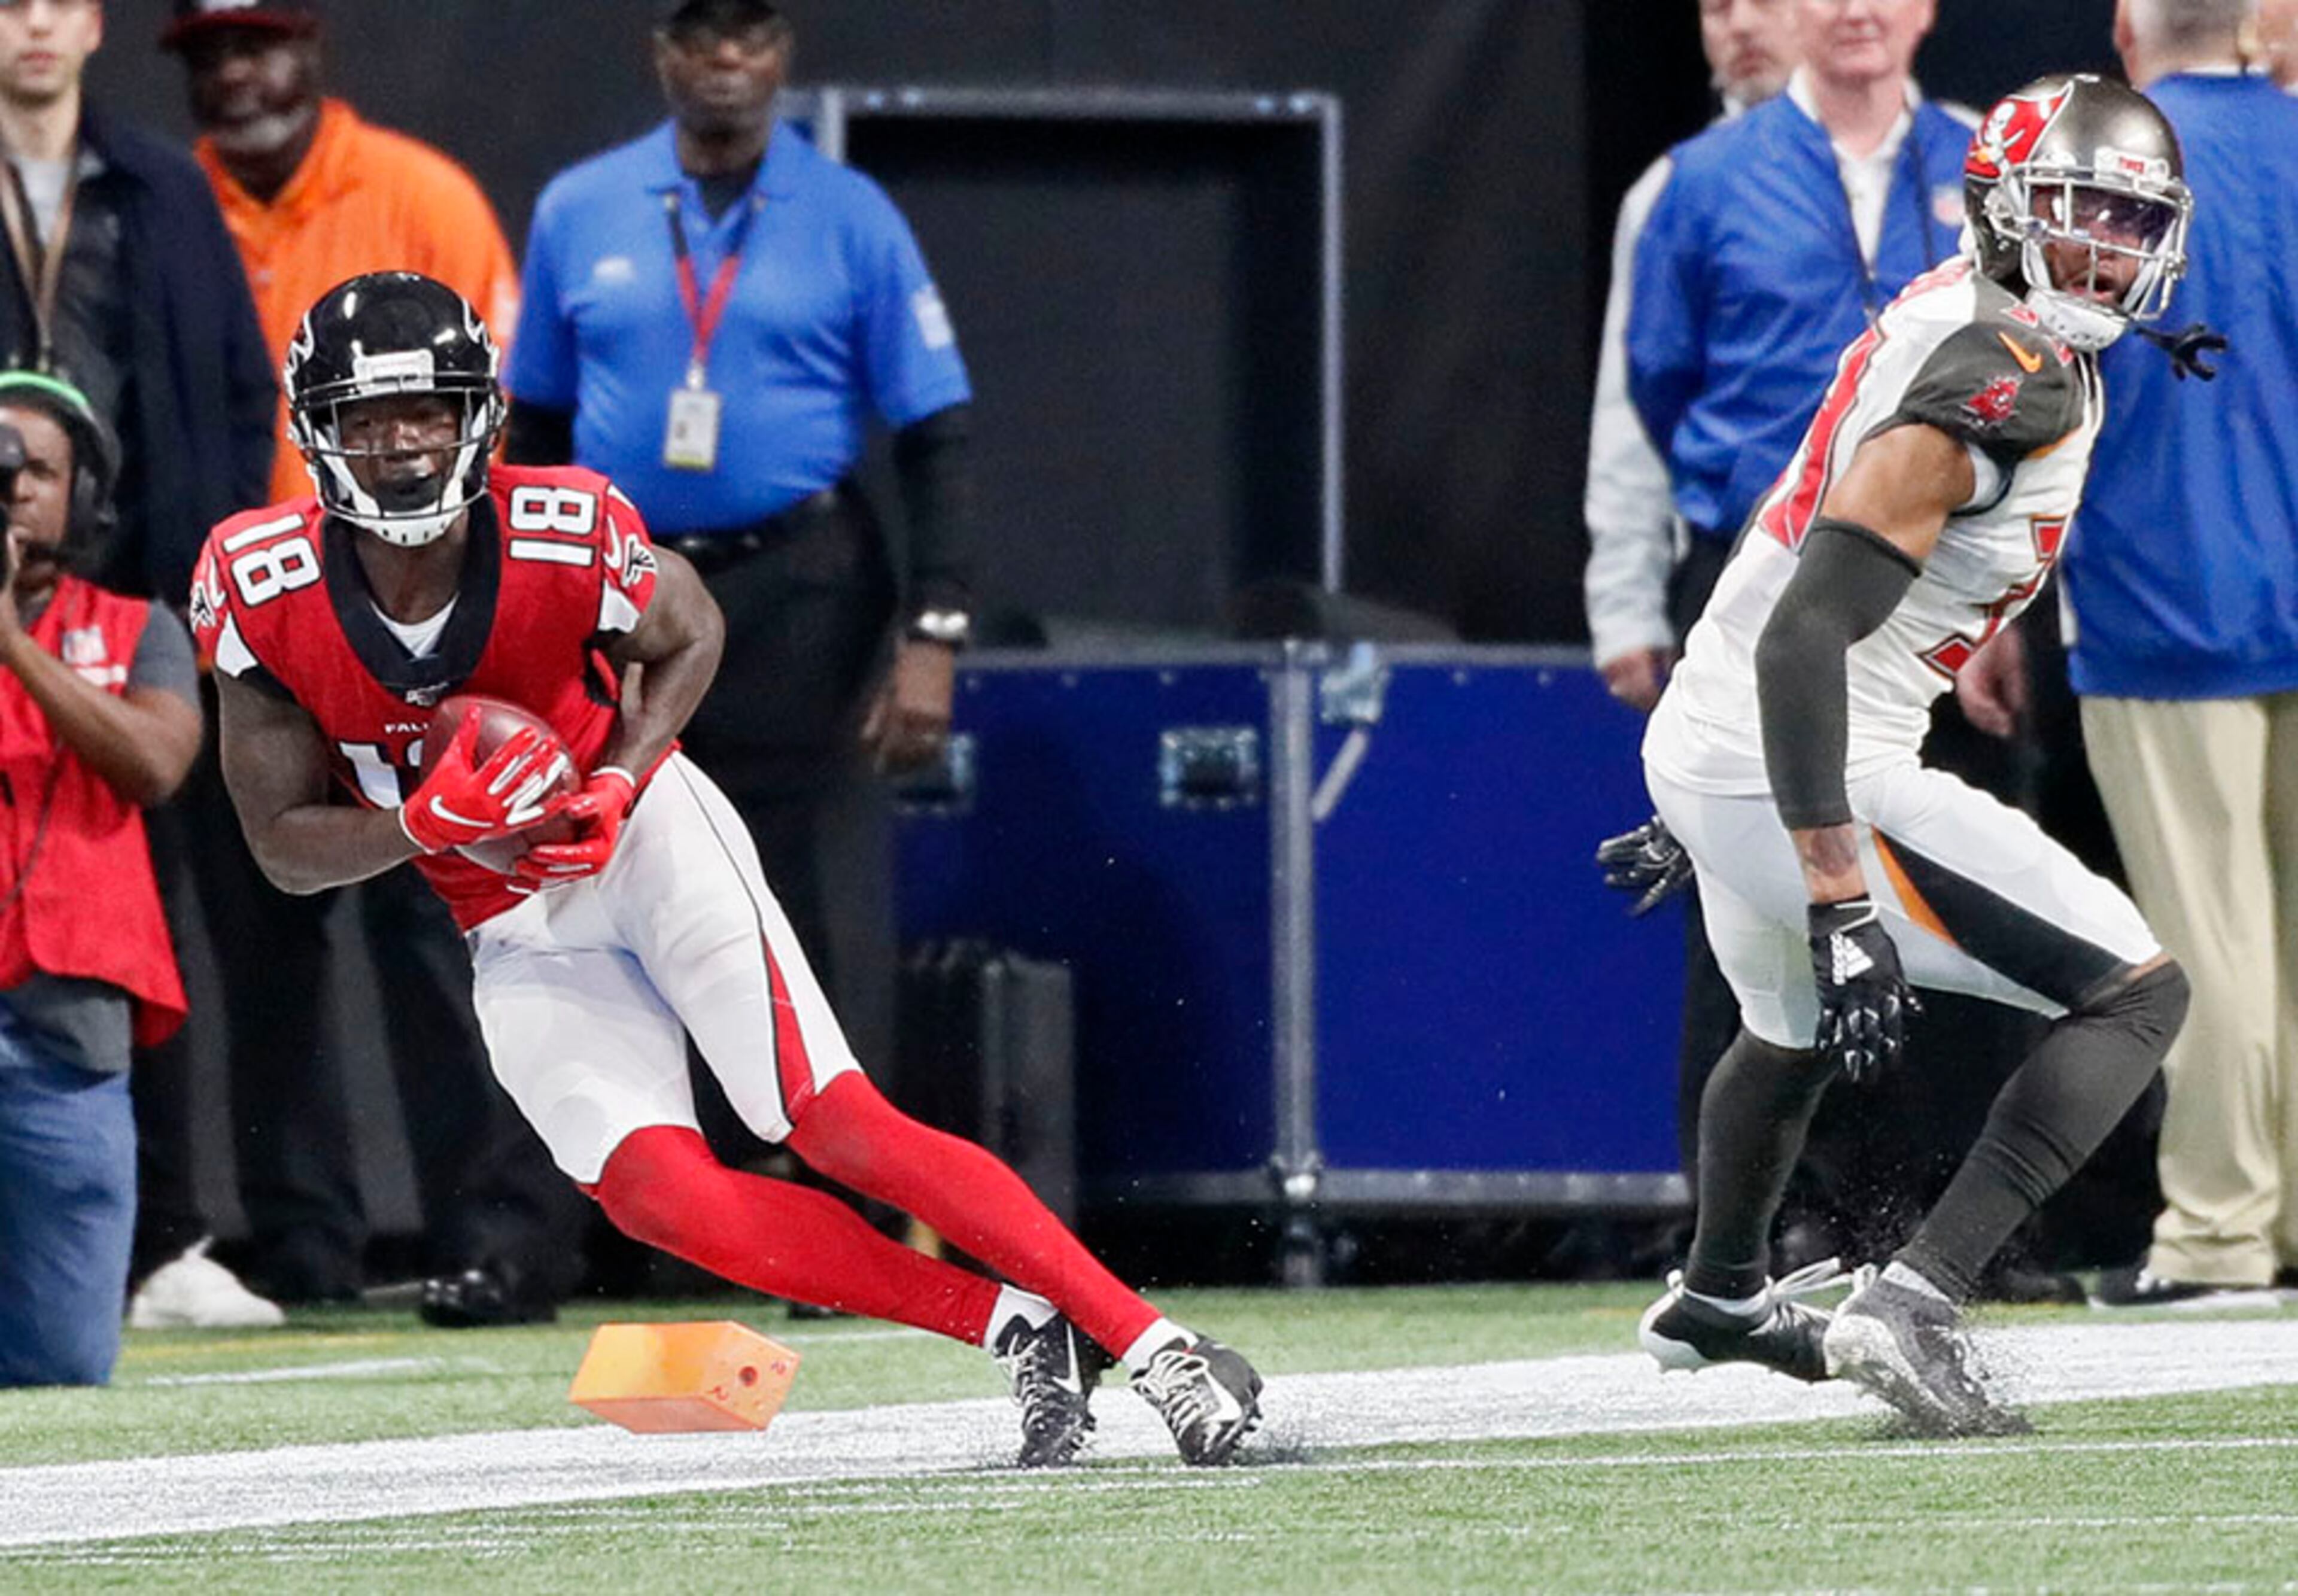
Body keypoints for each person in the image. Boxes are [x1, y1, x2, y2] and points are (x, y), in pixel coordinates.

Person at [190, 270, 1263, 1469]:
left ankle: (1161, 1342)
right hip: (509, 913)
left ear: (476, 415)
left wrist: (621, 773)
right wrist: (420, 827)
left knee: (827, 1117)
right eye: (366, 420)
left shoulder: (561, 524)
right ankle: (1017, 1326)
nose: (397, 447)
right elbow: (282, 847)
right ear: (316, 429)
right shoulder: (261, 583)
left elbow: (692, 626)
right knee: (658, 1193)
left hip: (643, 835)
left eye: (425, 414)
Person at [1630, 75, 2197, 1436]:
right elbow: (1805, 636)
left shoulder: (1964, 313)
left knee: (1786, 1031)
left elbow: (1785, 587)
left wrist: (1708, 804)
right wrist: (1827, 884)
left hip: (1728, 737)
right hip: (1797, 732)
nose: (2110, 251)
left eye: (2132, 221)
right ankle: (1919, 1296)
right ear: (2007, 211)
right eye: (2082, 215)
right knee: (2134, 992)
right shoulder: (2002, 375)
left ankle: (1719, 1292)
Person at [157, 0, 579, 1327]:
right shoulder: (171, 205)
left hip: (422, 617)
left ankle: (495, 1236)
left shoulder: (421, 194)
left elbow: (495, 412)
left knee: (453, 945)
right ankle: (304, 1242)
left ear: (313, 52)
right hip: (263, 630)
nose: (243, 75)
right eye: (215, 54)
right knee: (263, 949)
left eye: (263, 44)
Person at [503, 0, 971, 1142]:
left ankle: (821, 1181)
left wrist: (935, 633)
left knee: (791, 883)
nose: (725, 62)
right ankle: (630, 1197)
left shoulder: (852, 216)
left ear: (784, 57)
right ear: (661, 55)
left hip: (795, 583)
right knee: (585, 864)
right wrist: (517, 610)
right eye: (701, 38)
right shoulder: (582, 205)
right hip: (623, 584)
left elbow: (936, 434)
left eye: (749, 38)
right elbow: (532, 426)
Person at [0, 0, 280, 1327]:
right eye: (13, 4)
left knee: (145, 907)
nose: (34, 26)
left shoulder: (164, 186)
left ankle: (163, 1233)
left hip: (131, 584)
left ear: (97, 25)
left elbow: (238, 386)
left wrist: (208, 580)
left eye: (57, 0)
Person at [2058, 0, 2298, 1307]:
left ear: (2128, 36)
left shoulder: (2110, 177)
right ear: (2262, 26)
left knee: (2210, 933)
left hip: (2165, 591)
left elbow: (2053, 383)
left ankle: (2217, 1231)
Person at [1585, 0, 1798, 1201]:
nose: (1748, 27)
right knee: (1736, 888)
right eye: (1722, 5)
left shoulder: (1947, 159)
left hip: (1917, 575)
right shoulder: (1685, 185)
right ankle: (1743, 1215)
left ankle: (1940, 1212)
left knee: (1934, 881)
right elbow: (1638, 403)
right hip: (1737, 565)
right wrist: (1627, 591)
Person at [0, 370, 201, 1384]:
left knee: (65, 1368)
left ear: (82, 495)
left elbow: (156, 765)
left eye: (36, 471)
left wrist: (10, 644)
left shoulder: (138, 630)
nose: (15, 491)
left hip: (64, 1022)